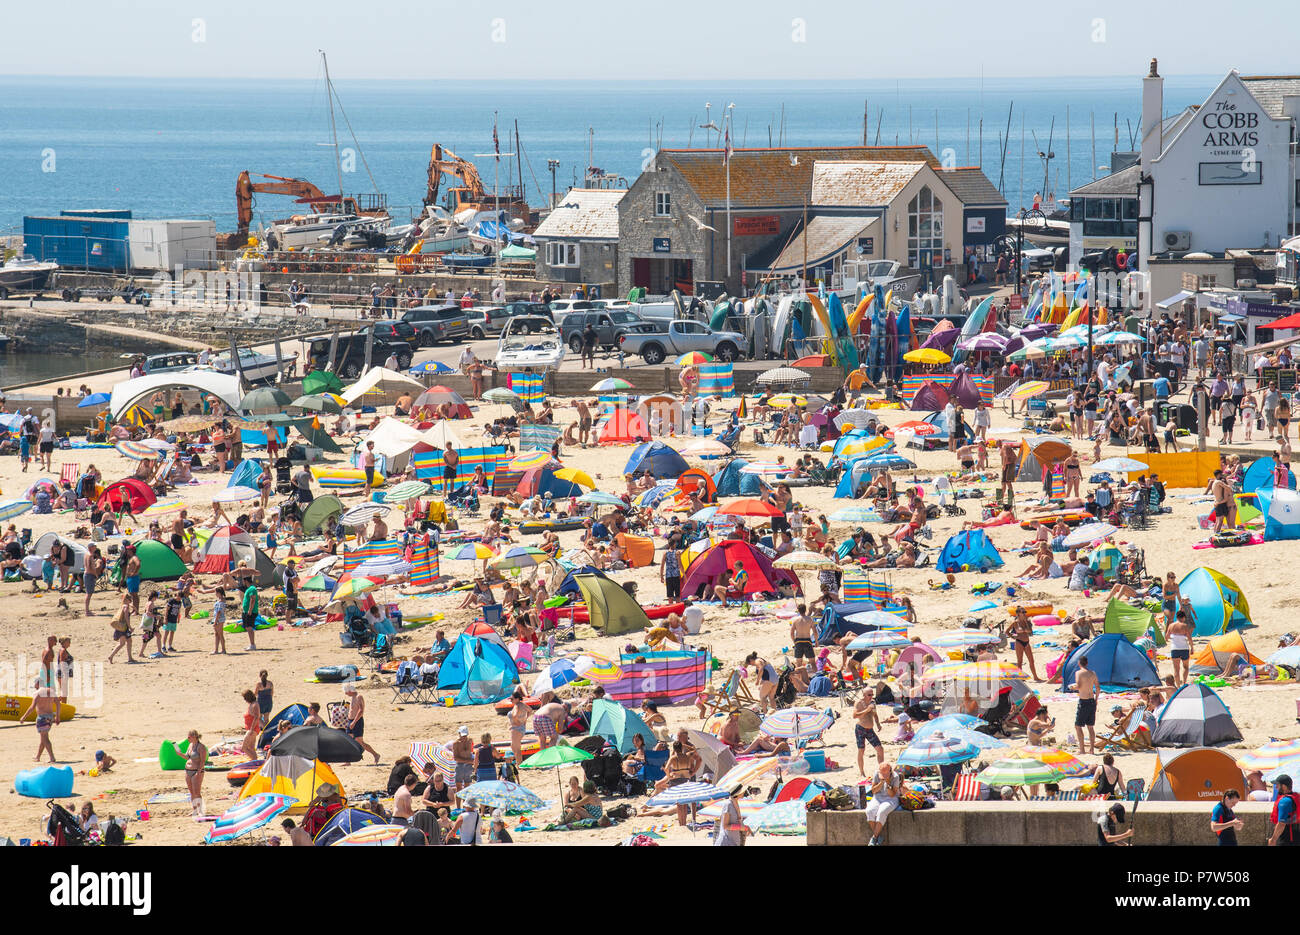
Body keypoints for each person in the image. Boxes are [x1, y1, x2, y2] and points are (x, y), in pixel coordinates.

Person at [20, 678, 60, 763]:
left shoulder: (37, 693)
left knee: (45, 738)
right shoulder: (51, 691)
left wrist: (23, 717)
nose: (34, 686)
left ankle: (52, 758)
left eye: (35, 684)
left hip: (42, 718)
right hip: (50, 717)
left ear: (38, 683)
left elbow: (32, 707)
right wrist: (57, 716)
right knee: (43, 738)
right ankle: (37, 757)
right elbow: (58, 703)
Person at [865, 761, 901, 846]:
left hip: (891, 799)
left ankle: (874, 838)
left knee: (881, 812)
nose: (884, 775)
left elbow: (892, 794)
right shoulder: (877, 774)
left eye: (886, 773)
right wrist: (881, 783)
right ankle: (878, 836)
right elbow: (873, 791)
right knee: (869, 811)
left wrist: (888, 783)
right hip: (878, 797)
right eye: (882, 773)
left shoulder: (895, 776)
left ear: (890, 771)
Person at [1069, 654, 1099, 754]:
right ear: (1087, 663)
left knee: (1078, 726)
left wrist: (1072, 687)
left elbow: (1079, 685)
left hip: (1084, 701)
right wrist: (1096, 699)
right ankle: (1092, 749)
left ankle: (1082, 750)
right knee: (1090, 727)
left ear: (1079, 663)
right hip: (1092, 700)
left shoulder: (1079, 673)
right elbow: (1098, 688)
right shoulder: (1093, 673)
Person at [343, 685, 380, 764]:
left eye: (346, 692)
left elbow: (361, 711)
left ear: (350, 691)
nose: (346, 694)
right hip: (350, 720)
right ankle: (348, 761)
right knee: (348, 740)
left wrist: (354, 722)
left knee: (359, 741)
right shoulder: (352, 697)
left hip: (357, 721)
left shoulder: (358, 697)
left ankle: (375, 754)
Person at [853, 687, 885, 774]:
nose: (871, 696)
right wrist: (866, 710)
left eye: (872, 694)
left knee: (880, 749)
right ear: (864, 695)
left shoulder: (872, 703)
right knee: (861, 750)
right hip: (861, 728)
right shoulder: (859, 703)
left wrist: (878, 724)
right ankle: (862, 771)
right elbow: (855, 715)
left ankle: (882, 769)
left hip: (870, 729)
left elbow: (875, 714)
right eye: (869, 695)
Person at [1269, 774, 1300, 846]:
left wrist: (1273, 840)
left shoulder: (1285, 802)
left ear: (1284, 786)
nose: (1276, 787)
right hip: (1296, 836)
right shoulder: (1297, 797)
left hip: (1287, 838)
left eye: (1278, 785)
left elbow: (1281, 824)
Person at [183, 729, 207, 816]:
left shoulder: (201, 747)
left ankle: (200, 811)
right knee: (191, 792)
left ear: (194, 737)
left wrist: (198, 772)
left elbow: (203, 761)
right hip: (188, 770)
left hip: (197, 771)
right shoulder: (190, 745)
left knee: (197, 792)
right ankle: (194, 810)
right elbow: (187, 757)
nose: (187, 738)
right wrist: (179, 753)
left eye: (189, 737)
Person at [1166, 610, 1193, 687]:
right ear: (1183, 617)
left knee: (1176, 669)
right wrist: (1192, 647)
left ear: (1177, 617)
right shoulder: (1184, 626)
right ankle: (1184, 683)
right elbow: (1189, 638)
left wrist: (1174, 638)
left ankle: (1178, 686)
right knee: (1185, 667)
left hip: (1174, 649)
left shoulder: (1171, 626)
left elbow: (1166, 637)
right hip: (1184, 648)